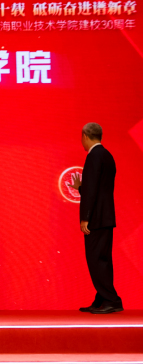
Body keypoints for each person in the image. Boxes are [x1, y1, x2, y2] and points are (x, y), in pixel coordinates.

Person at [68, 123, 123, 314]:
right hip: (106, 216)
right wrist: (80, 188)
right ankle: (102, 298)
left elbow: (92, 190)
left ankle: (111, 299)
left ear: (85, 135)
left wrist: (85, 217)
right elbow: (98, 188)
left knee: (96, 260)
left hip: (96, 219)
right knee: (103, 259)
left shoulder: (93, 156)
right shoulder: (107, 155)